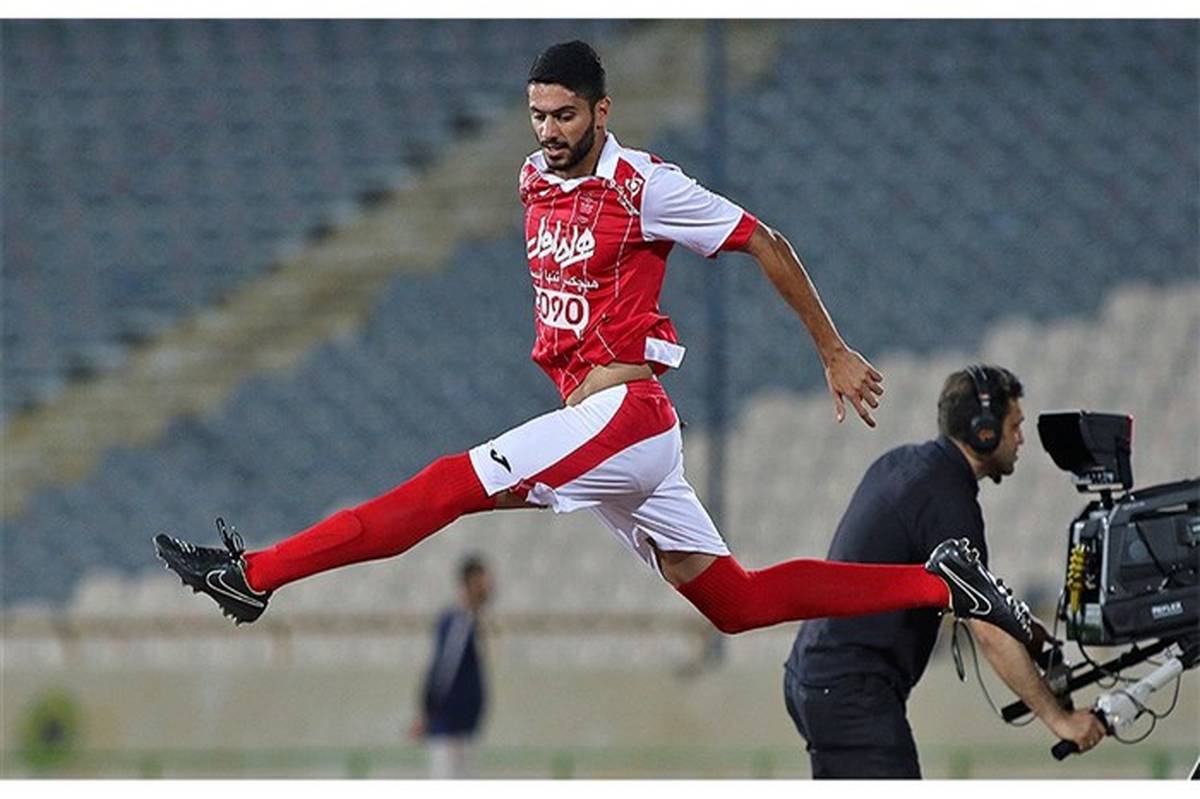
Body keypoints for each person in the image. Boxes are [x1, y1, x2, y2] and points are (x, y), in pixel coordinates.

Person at [155, 41, 1031, 654]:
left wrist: (831, 349)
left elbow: (766, 241)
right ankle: (943, 585)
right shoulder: (533, 177)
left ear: (602, 111)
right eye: (538, 114)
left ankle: (256, 574)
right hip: (609, 428)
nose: (548, 130)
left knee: (445, 485)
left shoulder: (645, 185)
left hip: (626, 415)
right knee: (737, 602)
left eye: (565, 115)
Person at [782, 365, 1107, 779]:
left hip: (816, 675)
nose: (1020, 439)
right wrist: (1061, 722)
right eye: (1014, 426)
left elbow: (986, 601)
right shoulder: (948, 502)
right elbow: (988, 629)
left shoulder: (907, 464)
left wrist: (1032, 636)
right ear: (984, 431)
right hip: (852, 693)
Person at [410, 555, 492, 779]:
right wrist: (427, 712)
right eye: (483, 582)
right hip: (450, 727)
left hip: (464, 726)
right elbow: (444, 670)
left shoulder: (472, 622)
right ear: (470, 582)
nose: (488, 588)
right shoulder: (458, 622)